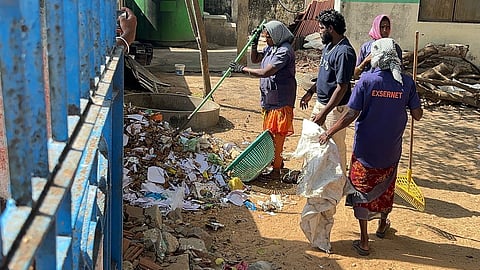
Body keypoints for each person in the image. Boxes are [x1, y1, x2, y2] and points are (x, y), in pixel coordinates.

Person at [318, 38, 423, 256]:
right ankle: (383, 224)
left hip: (366, 149)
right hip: (391, 148)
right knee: (386, 188)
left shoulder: (366, 81)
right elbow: (417, 115)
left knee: (362, 190)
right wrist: (411, 96)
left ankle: (364, 240)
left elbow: (351, 114)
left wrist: (329, 131)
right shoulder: (406, 82)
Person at [229, 20, 297, 182]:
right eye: (265, 37)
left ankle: (276, 170)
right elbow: (256, 58)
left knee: (277, 136)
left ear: (277, 36)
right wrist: (253, 43)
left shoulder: (284, 51)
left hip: (281, 101)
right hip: (269, 99)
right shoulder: (272, 48)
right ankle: (275, 162)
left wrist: (242, 69)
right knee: (269, 135)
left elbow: (266, 72)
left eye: (268, 37)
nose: (266, 40)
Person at [300, 9, 356, 176]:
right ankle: (309, 174)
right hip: (321, 103)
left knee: (335, 145)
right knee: (312, 138)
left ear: (331, 28)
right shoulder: (329, 46)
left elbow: (342, 87)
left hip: (335, 110)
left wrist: (325, 113)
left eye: (321, 28)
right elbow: (323, 75)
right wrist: (311, 91)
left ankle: (339, 181)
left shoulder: (344, 52)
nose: (319, 31)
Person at [354, 14, 402, 79]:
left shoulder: (395, 47)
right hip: (369, 84)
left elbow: (400, 71)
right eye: (382, 27)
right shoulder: (366, 47)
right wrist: (365, 61)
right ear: (376, 27)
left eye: (387, 27)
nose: (385, 30)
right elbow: (355, 73)